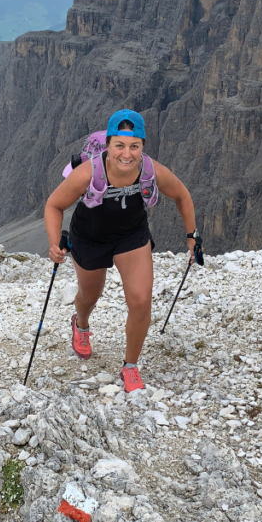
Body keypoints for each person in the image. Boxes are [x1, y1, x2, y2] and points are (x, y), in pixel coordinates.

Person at [44, 109, 198, 391]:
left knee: (140, 301)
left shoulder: (151, 170)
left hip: (132, 236)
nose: (126, 154)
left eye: (134, 146)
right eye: (120, 146)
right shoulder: (87, 172)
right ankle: (81, 324)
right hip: (89, 238)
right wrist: (55, 243)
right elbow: (54, 205)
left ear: (142, 146)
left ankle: (130, 366)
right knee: (89, 295)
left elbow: (181, 194)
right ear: (109, 145)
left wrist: (192, 235)